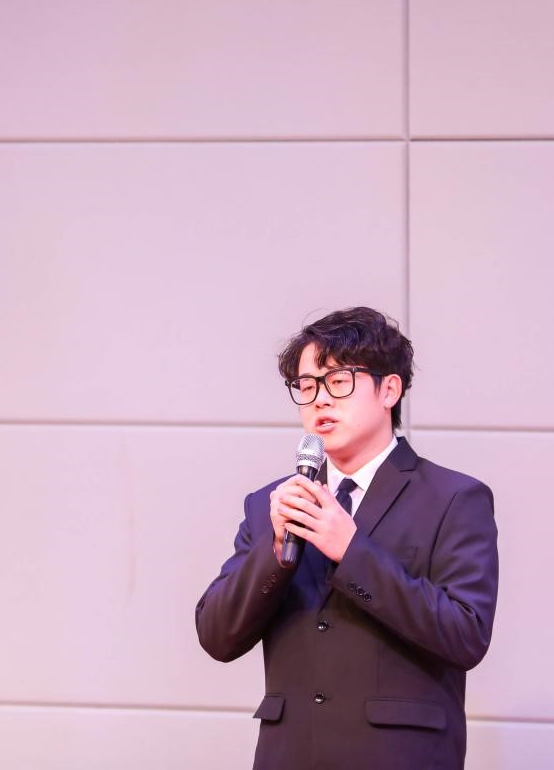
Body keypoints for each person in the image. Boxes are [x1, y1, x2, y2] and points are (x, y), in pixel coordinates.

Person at [195, 307, 499, 770]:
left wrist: (353, 552)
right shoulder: (272, 505)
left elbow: (465, 635)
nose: (319, 399)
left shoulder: (454, 498)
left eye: (338, 381)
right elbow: (216, 636)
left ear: (389, 389)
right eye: (306, 386)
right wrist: (274, 552)